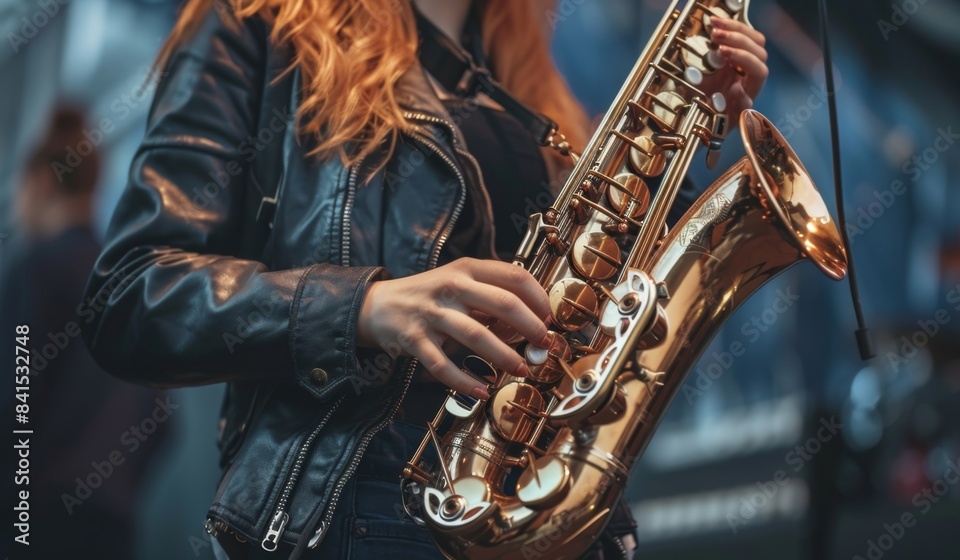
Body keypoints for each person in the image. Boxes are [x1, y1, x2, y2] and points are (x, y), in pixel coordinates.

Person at [82, 0, 768, 558]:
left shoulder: (524, 75)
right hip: (356, 506)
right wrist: (366, 306)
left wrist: (695, 119)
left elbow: (600, 279)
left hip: (536, 505)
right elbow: (131, 295)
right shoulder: (254, 20)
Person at [3, 107, 167, 559]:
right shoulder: (129, 282)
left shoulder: (38, 270)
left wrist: (16, 515)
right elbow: (162, 418)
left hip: (37, 523)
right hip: (113, 525)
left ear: (39, 182)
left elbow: (16, 399)